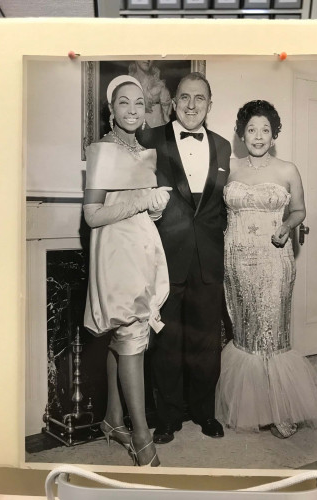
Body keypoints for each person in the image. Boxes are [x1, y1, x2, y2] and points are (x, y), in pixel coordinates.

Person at [215, 100, 317, 438]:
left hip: (273, 259)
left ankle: (280, 410)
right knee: (246, 330)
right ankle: (253, 406)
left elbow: (299, 211)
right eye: (252, 129)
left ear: (274, 133)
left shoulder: (287, 169)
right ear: (242, 133)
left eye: (265, 130)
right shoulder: (229, 168)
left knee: (273, 331)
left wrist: (286, 226)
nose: (258, 136)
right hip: (234, 261)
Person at [138, 72, 231, 444]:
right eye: (185, 98)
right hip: (165, 257)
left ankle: (204, 413)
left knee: (206, 341)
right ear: (173, 102)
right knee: (167, 341)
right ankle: (168, 417)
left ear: (210, 105)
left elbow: (221, 206)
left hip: (209, 259)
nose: (192, 105)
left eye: (201, 99)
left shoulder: (223, 147)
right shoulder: (150, 140)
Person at [83, 75, 172, 466]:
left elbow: (149, 210)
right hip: (116, 252)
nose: (133, 110)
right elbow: (92, 215)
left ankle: (113, 420)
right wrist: (140, 202)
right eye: (124, 103)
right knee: (132, 335)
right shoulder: (103, 150)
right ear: (111, 109)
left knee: (126, 335)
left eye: (139, 103)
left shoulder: (143, 150)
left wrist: (156, 205)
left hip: (143, 249)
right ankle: (141, 437)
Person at [129, 60, 172, 128]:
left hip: (156, 128)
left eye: (151, 56)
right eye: (144, 54)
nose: (147, 59)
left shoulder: (159, 84)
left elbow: (166, 112)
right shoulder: (128, 83)